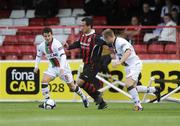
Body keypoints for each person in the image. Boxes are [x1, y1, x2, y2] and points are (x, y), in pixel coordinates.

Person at [33, 27, 89, 109]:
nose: (47, 38)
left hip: (63, 68)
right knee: (44, 81)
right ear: (43, 36)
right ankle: (47, 101)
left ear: (52, 35)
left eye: (49, 36)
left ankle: (83, 97)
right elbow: (38, 56)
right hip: (52, 67)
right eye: (45, 36)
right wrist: (36, 66)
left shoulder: (57, 44)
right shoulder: (41, 46)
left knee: (72, 87)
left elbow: (63, 56)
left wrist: (62, 68)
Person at [66, 17, 107, 109]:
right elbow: (78, 43)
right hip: (86, 64)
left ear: (89, 26)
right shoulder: (83, 36)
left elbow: (108, 42)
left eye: (83, 26)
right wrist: (69, 47)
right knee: (82, 83)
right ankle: (101, 102)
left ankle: (97, 94)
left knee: (80, 82)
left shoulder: (96, 37)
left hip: (94, 65)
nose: (81, 28)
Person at [102, 29, 144, 111]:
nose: (106, 41)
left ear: (110, 37)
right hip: (128, 67)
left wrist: (119, 62)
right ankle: (155, 90)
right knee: (134, 88)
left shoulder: (120, 42)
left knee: (128, 84)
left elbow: (128, 51)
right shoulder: (114, 44)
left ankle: (138, 106)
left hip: (134, 65)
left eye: (106, 39)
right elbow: (121, 54)